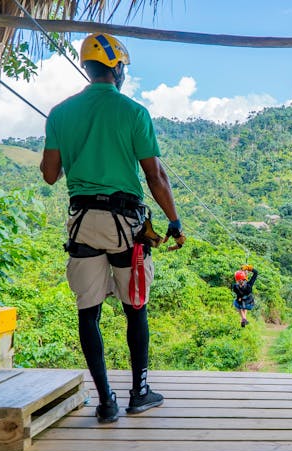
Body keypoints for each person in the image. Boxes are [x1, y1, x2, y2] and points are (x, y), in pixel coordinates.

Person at [40, 33, 186, 424]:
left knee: (88, 312)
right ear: (117, 69)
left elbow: (50, 175)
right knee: (134, 308)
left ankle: (105, 401)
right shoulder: (134, 112)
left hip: (83, 223)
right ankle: (139, 393)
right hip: (126, 224)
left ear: (87, 68)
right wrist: (173, 221)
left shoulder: (60, 113)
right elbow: (154, 175)